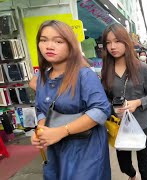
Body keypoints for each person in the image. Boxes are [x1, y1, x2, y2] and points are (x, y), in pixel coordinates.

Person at [31, 20, 111, 179]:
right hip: (56, 150)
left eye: (58, 41)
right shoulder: (41, 77)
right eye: (43, 40)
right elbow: (41, 109)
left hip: (86, 150)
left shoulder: (84, 75)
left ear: (70, 45)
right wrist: (41, 131)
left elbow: (101, 110)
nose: (49, 46)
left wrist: (62, 131)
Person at [101, 23, 147, 180]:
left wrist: (137, 103)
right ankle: (132, 175)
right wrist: (113, 109)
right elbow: (104, 98)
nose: (112, 46)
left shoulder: (142, 68)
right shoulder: (106, 72)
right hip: (120, 126)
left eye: (117, 41)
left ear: (126, 42)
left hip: (142, 123)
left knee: (144, 164)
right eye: (108, 42)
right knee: (124, 165)